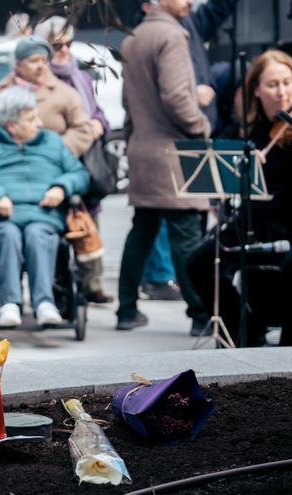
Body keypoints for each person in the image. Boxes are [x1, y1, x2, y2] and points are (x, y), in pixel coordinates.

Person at [188, 50, 292, 347]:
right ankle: (245, 330)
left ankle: (291, 340)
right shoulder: (251, 131)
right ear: (256, 89)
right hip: (258, 223)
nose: (282, 92)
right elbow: (221, 161)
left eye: (287, 83)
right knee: (199, 262)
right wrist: (243, 165)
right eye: (272, 85)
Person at [115, 0, 210, 333]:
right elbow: (176, 97)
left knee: (142, 230)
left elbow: (128, 102)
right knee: (186, 235)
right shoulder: (171, 36)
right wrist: (200, 125)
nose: (190, 1)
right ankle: (201, 315)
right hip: (172, 151)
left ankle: (126, 309)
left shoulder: (133, 37)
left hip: (143, 147)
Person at [0, 86, 89, 328]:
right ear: (10, 125)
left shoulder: (52, 141)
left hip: (43, 215)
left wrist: (61, 187)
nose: (39, 122)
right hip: (2, 216)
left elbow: (80, 174)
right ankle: (9, 304)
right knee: (6, 235)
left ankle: (44, 303)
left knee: (38, 235)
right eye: (31, 118)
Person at [34, 16, 113, 304]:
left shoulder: (80, 76)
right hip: (55, 164)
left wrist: (97, 125)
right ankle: (61, 287)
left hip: (87, 161)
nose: (65, 50)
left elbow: (99, 111)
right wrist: (74, 137)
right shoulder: (40, 81)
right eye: (57, 45)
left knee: (89, 220)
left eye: (68, 43)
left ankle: (92, 282)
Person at [0, 36, 94, 158]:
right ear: (19, 65)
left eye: (44, 60)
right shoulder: (1, 91)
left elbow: (82, 129)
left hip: (53, 162)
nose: (41, 66)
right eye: (34, 61)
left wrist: (56, 150)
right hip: (10, 161)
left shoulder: (65, 92)